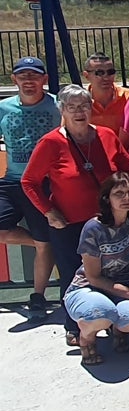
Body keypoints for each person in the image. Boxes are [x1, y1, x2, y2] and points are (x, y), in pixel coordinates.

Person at [23, 85, 129, 345]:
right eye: (72, 107)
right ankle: (76, 328)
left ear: (91, 109)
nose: (79, 112)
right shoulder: (51, 142)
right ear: (62, 110)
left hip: (108, 223)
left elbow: (128, 167)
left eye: (84, 106)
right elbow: (29, 181)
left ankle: (118, 322)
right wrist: (48, 212)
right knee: (72, 275)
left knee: (115, 273)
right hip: (70, 223)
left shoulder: (107, 136)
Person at [62, 173, 129, 366]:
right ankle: (86, 339)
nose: (126, 198)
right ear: (107, 198)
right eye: (119, 193)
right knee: (100, 314)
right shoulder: (93, 229)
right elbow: (94, 278)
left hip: (124, 284)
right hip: (89, 287)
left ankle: (119, 332)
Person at [0, 56, 60, 314]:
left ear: (44, 80)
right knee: (37, 240)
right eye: (23, 76)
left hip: (44, 182)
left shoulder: (58, 106)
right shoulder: (4, 108)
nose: (29, 81)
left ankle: (38, 295)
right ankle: (38, 242)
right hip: (13, 179)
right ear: (14, 80)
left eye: (34, 76)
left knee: (46, 240)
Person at [81, 52, 129, 134]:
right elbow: (66, 133)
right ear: (86, 76)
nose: (106, 77)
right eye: (99, 73)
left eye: (110, 72)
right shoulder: (78, 101)